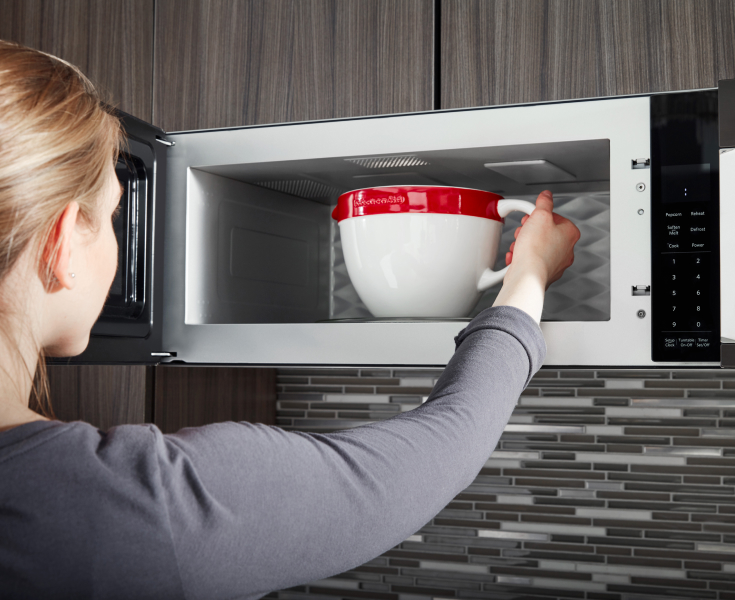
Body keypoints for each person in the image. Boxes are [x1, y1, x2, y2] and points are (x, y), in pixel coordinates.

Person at [0, 40, 580, 599]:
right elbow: (439, 449)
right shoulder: (135, 507)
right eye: (113, 218)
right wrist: (527, 276)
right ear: (61, 243)